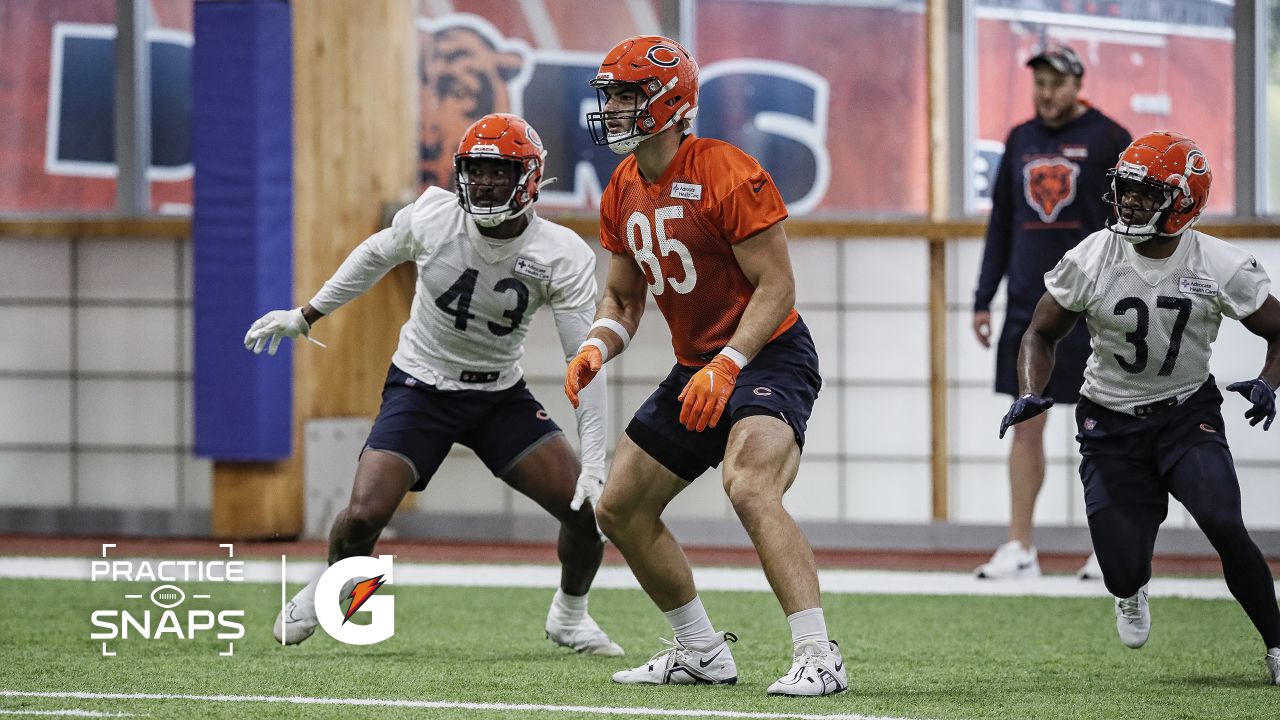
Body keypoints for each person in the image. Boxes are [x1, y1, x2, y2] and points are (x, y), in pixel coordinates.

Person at [245, 113, 623, 657]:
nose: (487, 182)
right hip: (421, 385)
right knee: (364, 515)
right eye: (477, 170)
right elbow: (375, 254)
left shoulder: (560, 254)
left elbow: (583, 361)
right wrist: (308, 314)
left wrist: (593, 460)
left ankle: (570, 617)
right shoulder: (434, 216)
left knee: (588, 513)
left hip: (498, 396)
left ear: (531, 178)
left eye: (501, 171)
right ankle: (328, 585)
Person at [563, 36, 844, 697]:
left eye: (625, 95)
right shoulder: (624, 186)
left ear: (669, 101)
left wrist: (729, 363)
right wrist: (598, 343)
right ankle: (700, 650)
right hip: (698, 365)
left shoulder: (727, 171)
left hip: (768, 353)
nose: (611, 108)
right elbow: (624, 296)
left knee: (748, 483)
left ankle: (818, 654)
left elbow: (776, 287)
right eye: (609, 95)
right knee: (619, 507)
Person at [999, 131, 1280, 684]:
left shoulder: (1216, 262)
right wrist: (1032, 390)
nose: (1131, 202)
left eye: (1148, 193)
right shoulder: (1094, 256)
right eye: (1127, 189)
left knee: (1224, 521)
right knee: (1122, 569)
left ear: (1184, 201)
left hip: (1184, 415)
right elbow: (1039, 332)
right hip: (1109, 423)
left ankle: (1276, 644)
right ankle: (1130, 591)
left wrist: (1272, 380)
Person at [973, 42, 1132, 580]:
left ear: (1077, 84)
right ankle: (1020, 547)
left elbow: (1132, 225)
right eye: (1039, 83)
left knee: (1104, 426)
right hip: (1027, 305)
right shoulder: (1019, 139)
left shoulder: (1110, 138)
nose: (1046, 93)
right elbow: (1002, 223)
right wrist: (982, 297)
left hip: (1094, 304)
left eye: (1056, 83)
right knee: (1026, 422)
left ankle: (1111, 547)